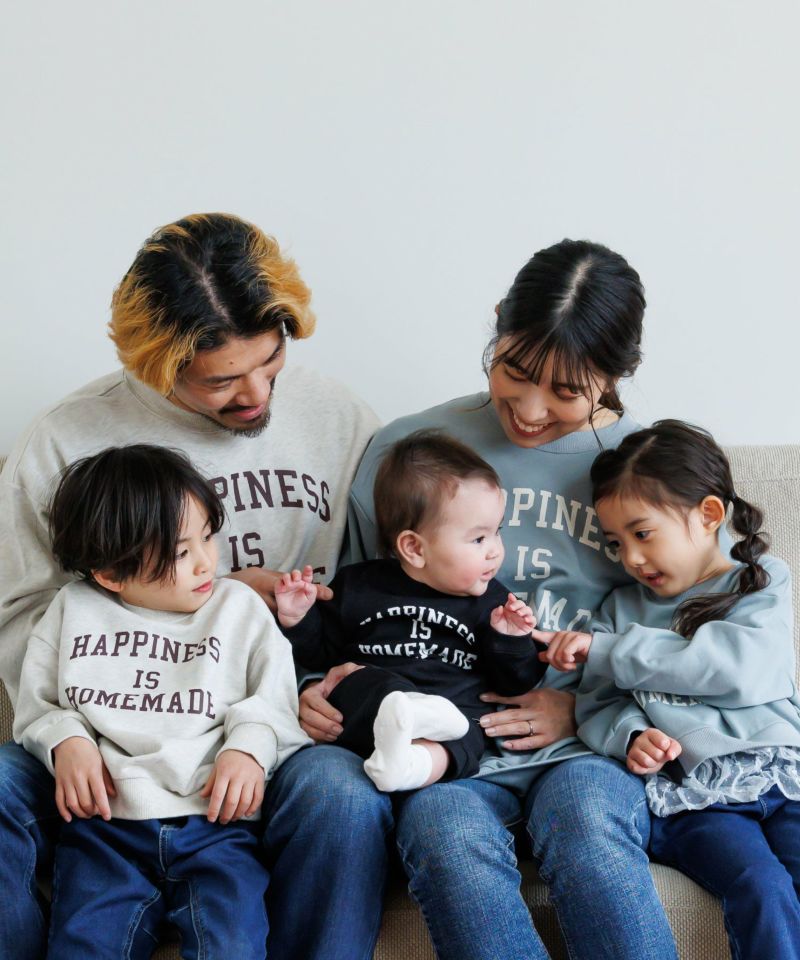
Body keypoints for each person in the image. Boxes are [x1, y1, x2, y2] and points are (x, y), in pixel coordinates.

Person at [0, 213, 379, 960]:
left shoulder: (339, 418)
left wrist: (323, 686)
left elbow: (379, 593)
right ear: (157, 366)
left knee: (340, 797)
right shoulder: (64, 441)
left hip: (278, 717)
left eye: (271, 361)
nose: (257, 394)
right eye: (221, 380)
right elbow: (24, 624)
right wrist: (79, 735)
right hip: (108, 724)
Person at [300, 239, 681, 959]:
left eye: (567, 392)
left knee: (589, 827)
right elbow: (349, 609)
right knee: (444, 833)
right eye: (515, 371)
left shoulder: (648, 470)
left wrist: (582, 707)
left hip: (584, 748)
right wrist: (319, 686)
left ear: (617, 374)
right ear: (498, 324)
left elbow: (688, 629)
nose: (531, 411)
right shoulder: (410, 451)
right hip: (442, 748)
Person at [14, 444, 310, 959]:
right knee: (83, 947)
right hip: (104, 832)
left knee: (233, 946)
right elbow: (37, 705)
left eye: (208, 537)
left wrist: (248, 747)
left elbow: (275, 700)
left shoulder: (238, 607)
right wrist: (66, 740)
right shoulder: (73, 609)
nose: (206, 562)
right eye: (180, 553)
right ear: (111, 573)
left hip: (215, 828)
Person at [541, 419, 800, 960]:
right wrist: (632, 735)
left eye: (642, 534)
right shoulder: (620, 609)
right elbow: (598, 702)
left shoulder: (759, 580)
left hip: (784, 777)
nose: (630, 559)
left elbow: (734, 669)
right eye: (616, 543)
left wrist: (608, 650)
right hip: (697, 798)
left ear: (708, 514)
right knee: (762, 886)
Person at [276, 431, 544, 791]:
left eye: (498, 532)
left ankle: (407, 768)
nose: (495, 550)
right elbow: (319, 653)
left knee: (467, 733)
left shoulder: (494, 603)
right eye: (479, 539)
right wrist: (298, 618)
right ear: (415, 548)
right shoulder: (359, 585)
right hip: (370, 715)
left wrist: (511, 640)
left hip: (450, 714)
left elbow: (514, 684)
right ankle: (407, 712)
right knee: (362, 681)